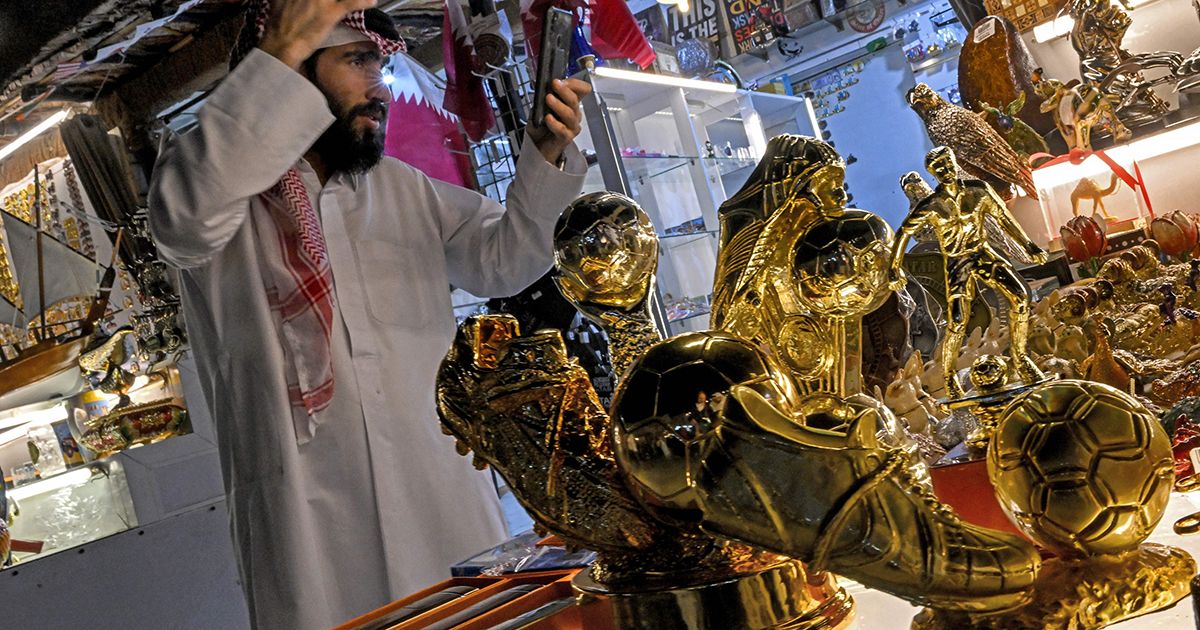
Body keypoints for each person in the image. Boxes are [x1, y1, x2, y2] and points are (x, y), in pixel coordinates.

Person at [147, 0, 590, 627]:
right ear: (292, 72)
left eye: (379, 66)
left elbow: (508, 260)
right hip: (310, 521)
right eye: (356, 61)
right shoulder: (209, 189)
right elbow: (187, 221)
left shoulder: (404, 189)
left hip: (437, 496)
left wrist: (545, 154)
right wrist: (283, 45)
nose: (378, 87)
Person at [889, 147, 1047, 400]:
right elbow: (903, 234)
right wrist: (893, 267)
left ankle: (1020, 358)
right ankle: (949, 376)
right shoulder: (931, 205)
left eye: (947, 163)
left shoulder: (978, 190)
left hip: (982, 252)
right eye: (938, 167)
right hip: (957, 261)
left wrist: (1028, 244)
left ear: (953, 162)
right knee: (958, 321)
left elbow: (1004, 219)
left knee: (1019, 297)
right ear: (933, 173)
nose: (945, 170)